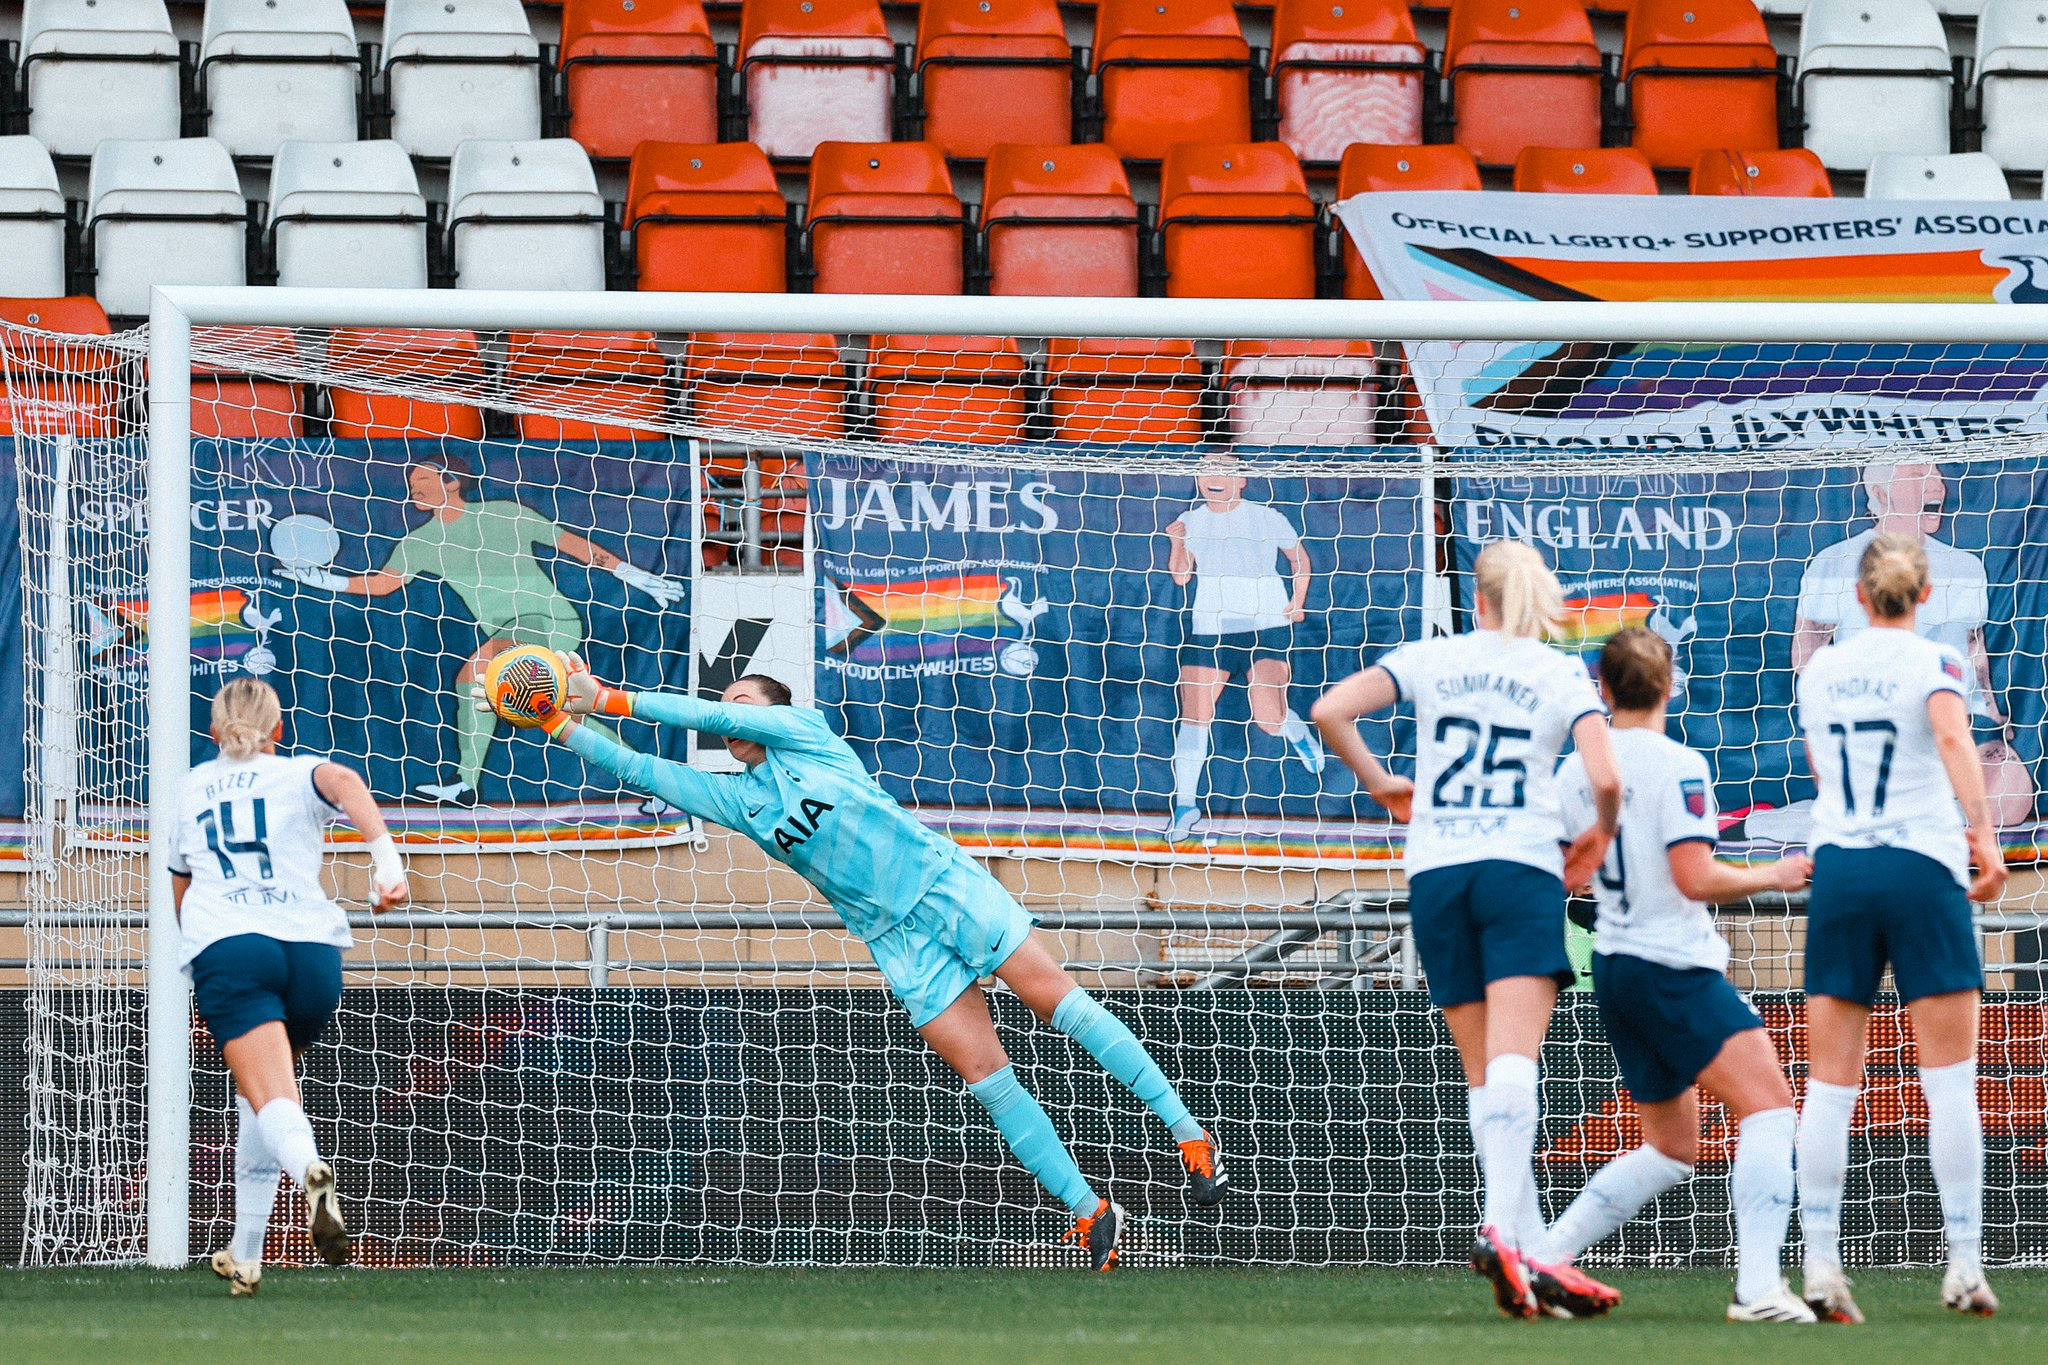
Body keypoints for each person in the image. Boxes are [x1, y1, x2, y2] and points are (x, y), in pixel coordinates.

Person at [499, 659, 1228, 1270]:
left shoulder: (805, 734)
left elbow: (723, 722)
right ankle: (1091, 1212)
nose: (732, 714)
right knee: (986, 1075)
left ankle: (1191, 1133)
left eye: (742, 702)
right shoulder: (739, 798)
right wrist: (560, 721)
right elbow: (638, 766)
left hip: (945, 885)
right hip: (894, 938)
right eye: (727, 705)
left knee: (1056, 1003)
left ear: (773, 712)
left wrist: (612, 698)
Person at [1311, 540, 1624, 1319]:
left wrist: (1380, 780)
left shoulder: (1431, 656)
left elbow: (1327, 709)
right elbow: (1607, 775)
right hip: (1518, 866)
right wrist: (1599, 836)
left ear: (1474, 600)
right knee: (1518, 1059)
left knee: (1485, 1072)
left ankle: (1524, 1248)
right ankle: (1501, 1228)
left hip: (1438, 870)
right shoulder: (1559, 673)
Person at [1537, 628, 1816, 1323]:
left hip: (1616, 963)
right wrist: (1774, 872)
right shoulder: (1677, 761)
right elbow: (1695, 877)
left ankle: (1542, 1256)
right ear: (1669, 687)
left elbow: (1569, 873)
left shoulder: (1573, 773)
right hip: (1673, 964)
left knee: (1670, 1146)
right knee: (1772, 1108)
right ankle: (1757, 1289)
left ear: (1601, 689)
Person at [1794, 533, 2008, 1322]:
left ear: (1857, 596)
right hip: (1922, 864)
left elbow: (1822, 768)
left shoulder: (1820, 671)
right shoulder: (1935, 663)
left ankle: (1819, 1262)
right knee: (1948, 1078)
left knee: (1828, 1081)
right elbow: (1955, 739)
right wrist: (1984, 836)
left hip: (1844, 868)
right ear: (1923, 598)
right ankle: (1963, 1263)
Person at [171, 678, 409, 1296]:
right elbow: (347, 783)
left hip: (235, 949)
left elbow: (182, 887)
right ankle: (247, 1255)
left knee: (274, 1103)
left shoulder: (190, 788)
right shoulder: (299, 771)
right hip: (314, 957)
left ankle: (309, 1168)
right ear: (279, 729)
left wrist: (201, 949)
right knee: (269, 1095)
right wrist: (388, 868)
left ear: (212, 732)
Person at [273, 449, 684, 806]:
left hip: (550, 621)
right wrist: (323, 580)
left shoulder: (504, 514)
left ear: (450, 483)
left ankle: (467, 783)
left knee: (475, 673)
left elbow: (571, 545)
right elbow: (384, 584)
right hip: (508, 628)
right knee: (554, 714)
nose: (412, 489)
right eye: (411, 483)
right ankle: (653, 780)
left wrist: (632, 574)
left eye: (421, 481)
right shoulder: (420, 542)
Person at [1792, 461, 2034, 827]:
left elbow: (1975, 652)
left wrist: (1993, 714)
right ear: (1879, 493)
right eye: (1918, 474)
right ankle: (1920, 814)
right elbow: (1806, 652)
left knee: (2013, 792)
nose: (1936, 483)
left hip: (1951, 727)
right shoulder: (1834, 563)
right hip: (1870, 730)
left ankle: (1910, 813)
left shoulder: (1965, 568)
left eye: (1935, 473)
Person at [1164, 463, 1325, 842]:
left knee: (1269, 720)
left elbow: (1299, 559)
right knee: (1195, 718)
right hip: (1210, 629)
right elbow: (1181, 576)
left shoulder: (1267, 518)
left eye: (1222, 472)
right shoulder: (1190, 519)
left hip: (1265, 627)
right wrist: (1176, 541)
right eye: (1205, 473)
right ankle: (1185, 806)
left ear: (1241, 480)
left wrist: (1297, 601)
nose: (1213, 480)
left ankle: (1296, 731)